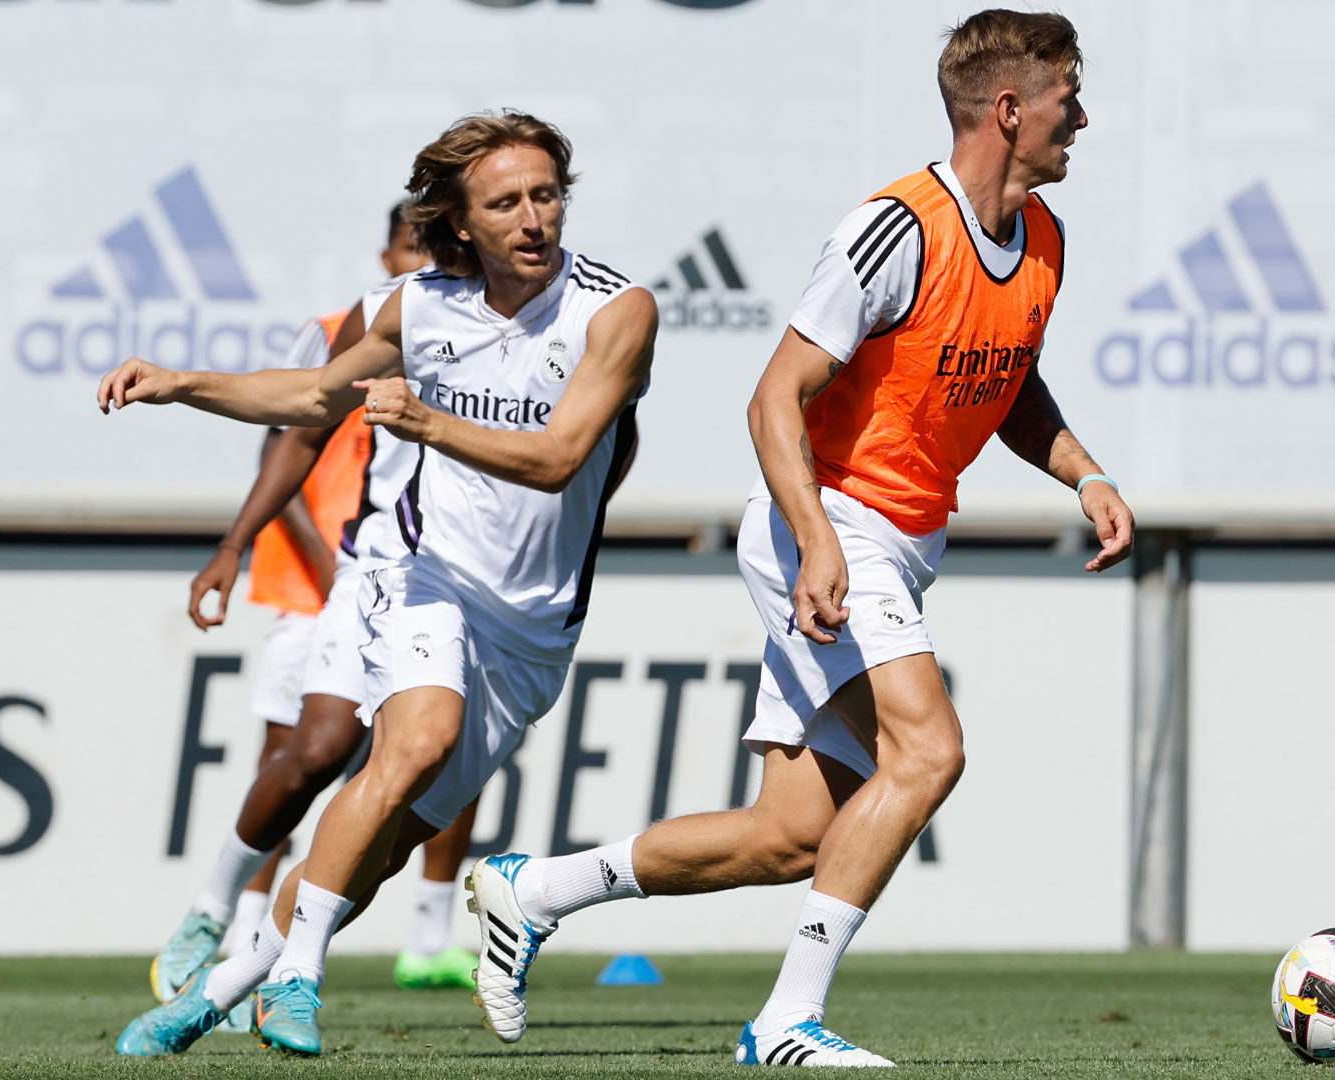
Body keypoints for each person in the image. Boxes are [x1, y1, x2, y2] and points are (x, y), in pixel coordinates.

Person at [465, 9, 1133, 1068]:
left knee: (790, 837)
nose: (1082, 119)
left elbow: (1007, 387)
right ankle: (784, 1022)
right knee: (929, 752)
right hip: (825, 525)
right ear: (1008, 110)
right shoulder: (896, 227)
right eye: (1067, 98)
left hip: (896, 541)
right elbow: (774, 396)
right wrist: (819, 540)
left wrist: (1085, 472)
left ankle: (532, 890)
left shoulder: (1042, 240)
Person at [100, 109, 657, 1058]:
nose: (533, 218)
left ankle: (222, 989)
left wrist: (428, 423)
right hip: (420, 573)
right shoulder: (415, 306)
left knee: (382, 845)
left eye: (546, 195)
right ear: (463, 222)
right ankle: (300, 978)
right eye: (506, 202)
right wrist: (180, 381)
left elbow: (561, 459)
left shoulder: (616, 310)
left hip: (532, 629)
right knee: (414, 738)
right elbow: (314, 399)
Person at [145, 205, 480, 1018]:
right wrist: (236, 543)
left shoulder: (541, 321)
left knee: (433, 765)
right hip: (368, 570)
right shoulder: (372, 318)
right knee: (315, 747)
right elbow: (298, 427)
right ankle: (218, 907)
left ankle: (300, 963)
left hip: (470, 582)